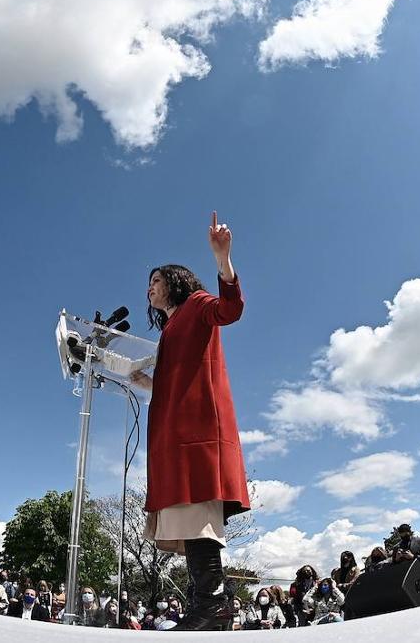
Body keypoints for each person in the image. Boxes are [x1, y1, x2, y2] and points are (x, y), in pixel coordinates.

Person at [129, 212, 249, 632]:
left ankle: (213, 605)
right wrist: (148, 382)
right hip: (174, 434)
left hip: (198, 432)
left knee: (198, 514)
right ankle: (208, 603)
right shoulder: (169, 328)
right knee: (186, 515)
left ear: (176, 282)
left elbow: (230, 309)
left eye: (156, 281)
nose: (150, 289)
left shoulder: (198, 305)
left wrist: (223, 259)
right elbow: (176, 380)